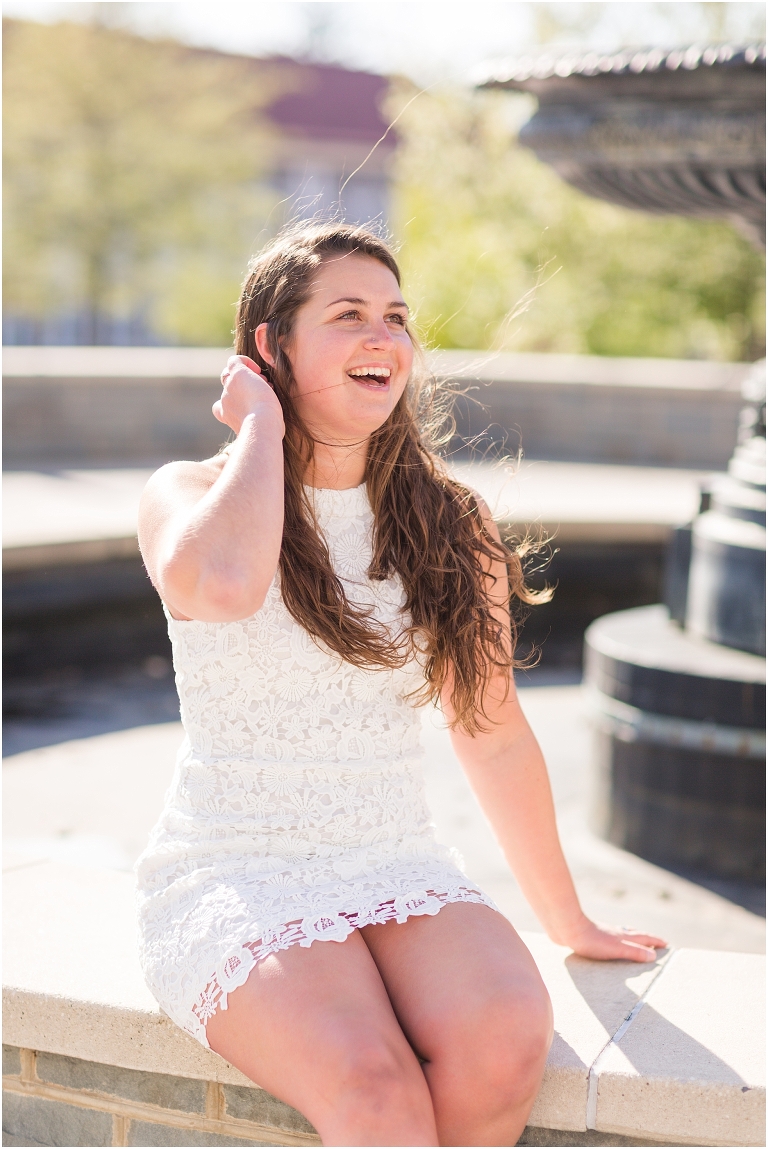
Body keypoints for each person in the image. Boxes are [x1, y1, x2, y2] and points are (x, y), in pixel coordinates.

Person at [136, 222, 665, 1147]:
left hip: (395, 861)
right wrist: (264, 425)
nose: (384, 336)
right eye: (348, 315)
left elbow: (491, 730)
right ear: (270, 344)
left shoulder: (450, 522)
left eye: (396, 316)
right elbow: (221, 587)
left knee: (506, 1044)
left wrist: (567, 915)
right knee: (375, 1091)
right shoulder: (187, 494)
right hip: (234, 866)